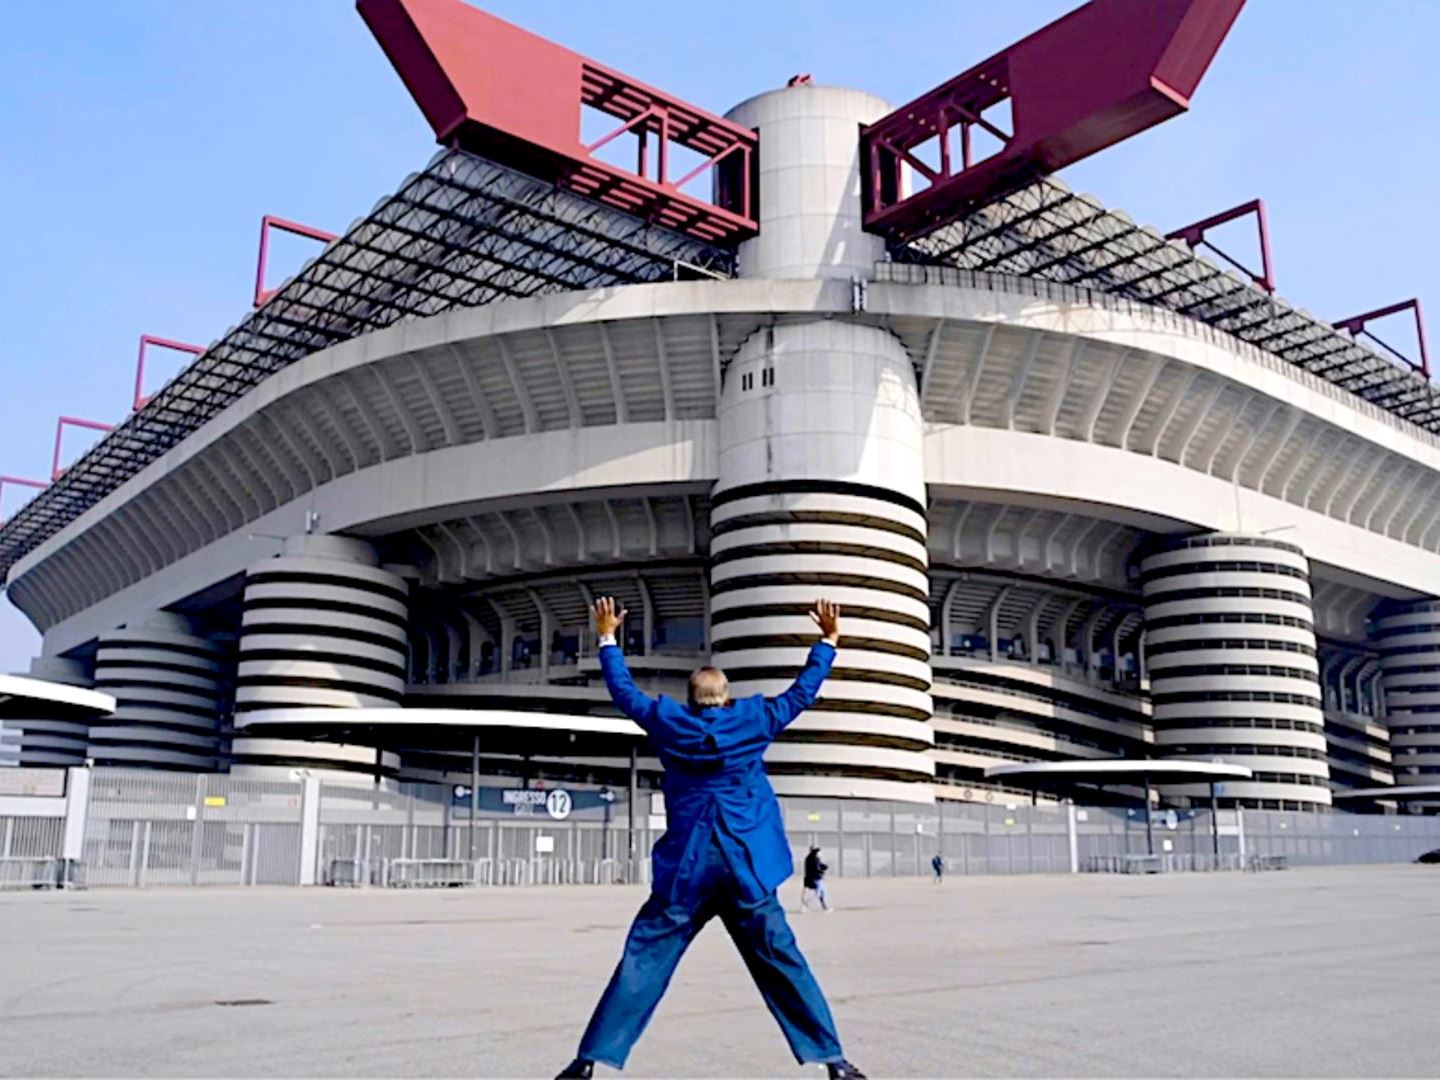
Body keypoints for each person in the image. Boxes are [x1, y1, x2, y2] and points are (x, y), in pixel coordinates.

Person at [557, 597, 864, 1080]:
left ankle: (587, 1062)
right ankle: (834, 1062)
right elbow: (802, 693)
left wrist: (608, 637)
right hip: (747, 868)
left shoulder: (667, 722)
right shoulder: (755, 720)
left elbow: (623, 691)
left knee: (643, 960)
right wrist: (827, 643)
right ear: (727, 696)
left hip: (687, 870)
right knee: (783, 962)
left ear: (690, 697)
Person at [800, 845, 831, 912]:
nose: (819, 853)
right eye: (818, 852)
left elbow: (820, 865)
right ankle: (805, 904)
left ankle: (825, 907)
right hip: (815, 879)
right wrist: (821, 871)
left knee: (821, 893)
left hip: (816, 878)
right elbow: (814, 869)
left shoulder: (815, 859)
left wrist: (824, 867)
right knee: (817, 894)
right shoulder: (811, 859)